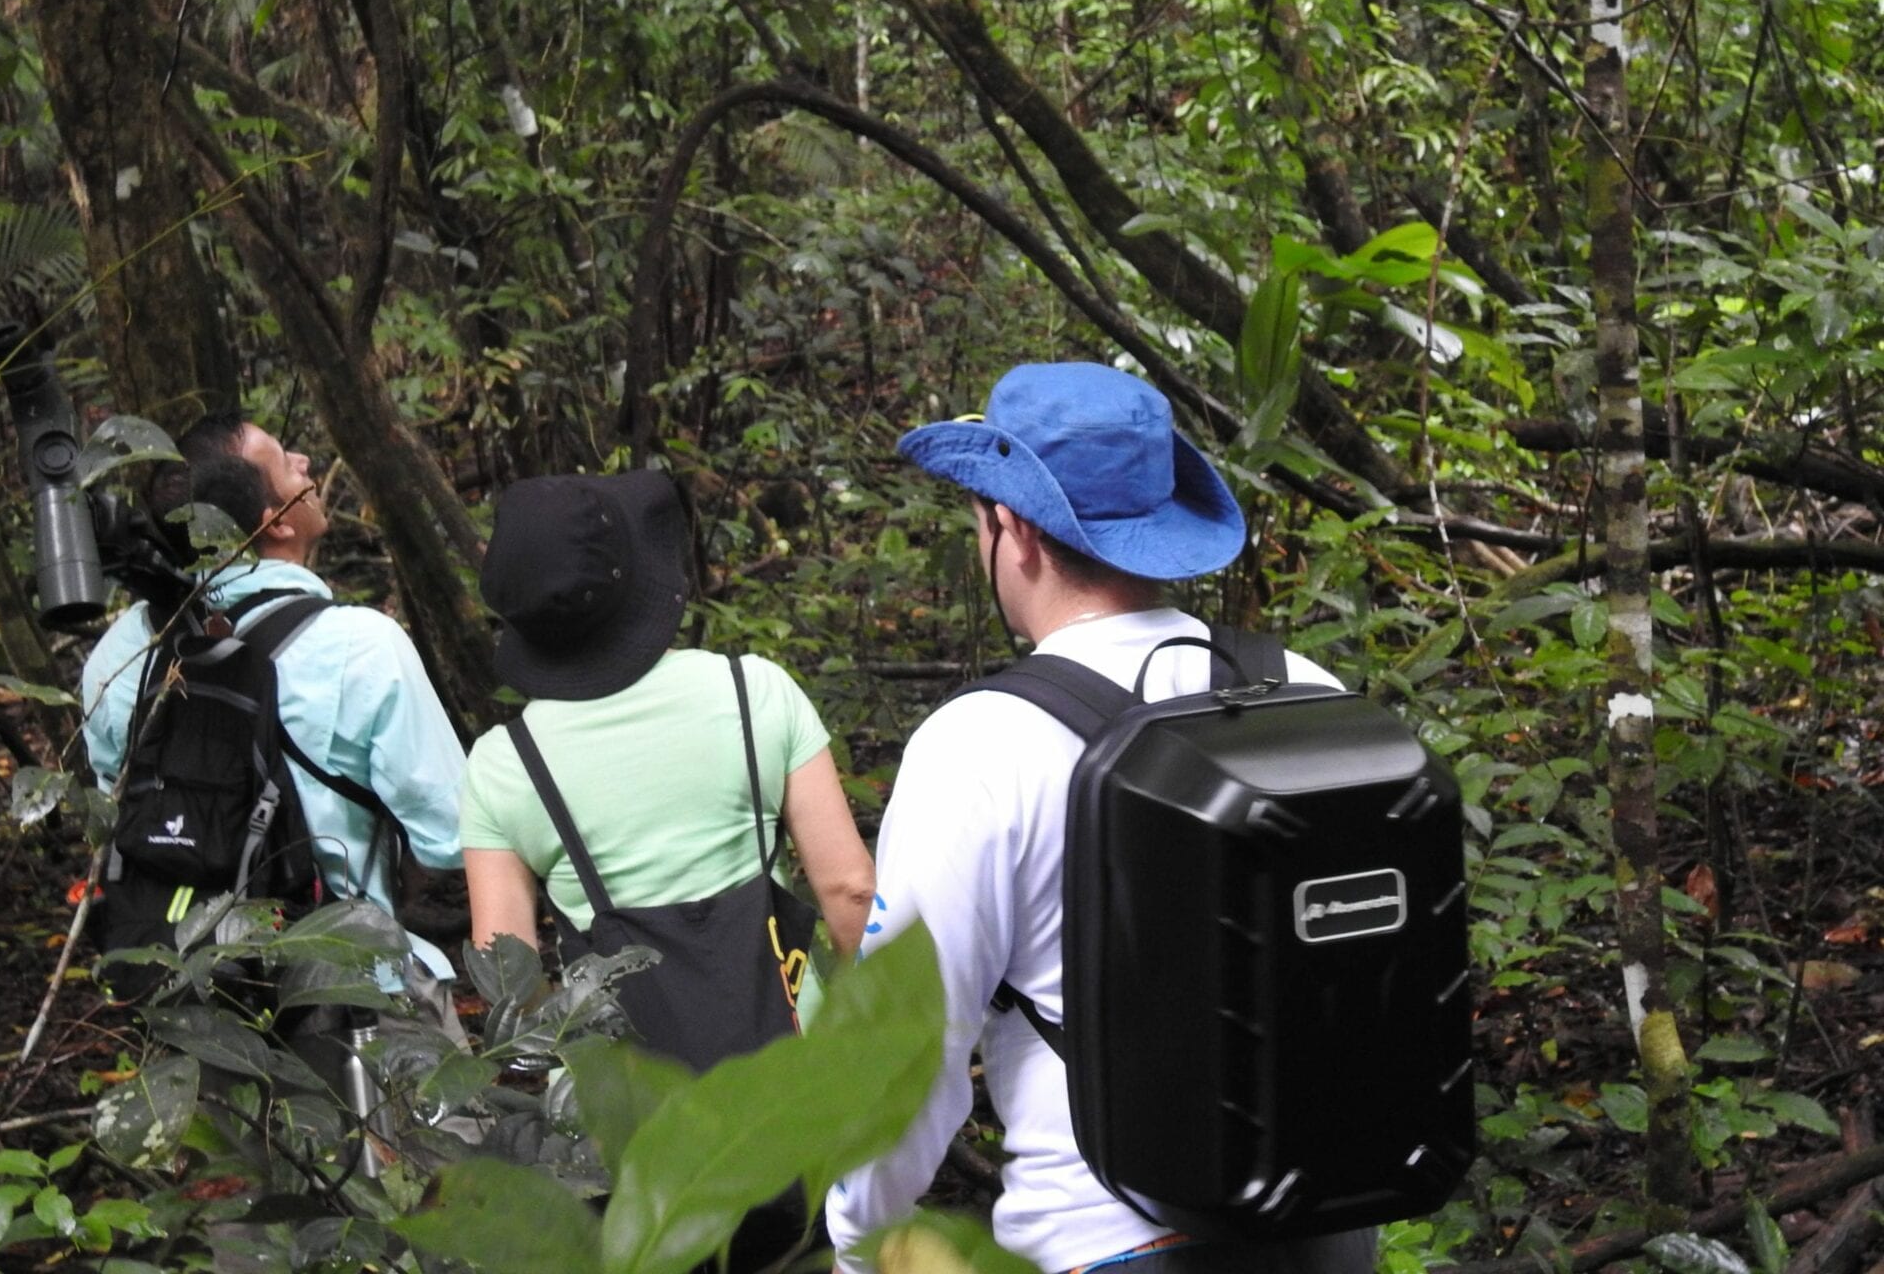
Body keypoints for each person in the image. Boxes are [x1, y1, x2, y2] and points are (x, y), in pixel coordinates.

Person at [827, 363, 1378, 1274]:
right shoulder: (1305, 693)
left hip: (1106, 1241)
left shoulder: (980, 744)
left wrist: (853, 1244)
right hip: (1322, 1230)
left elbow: (909, 1049)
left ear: (1016, 531)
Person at [79, 413, 470, 1032]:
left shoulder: (120, 653)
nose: (306, 465)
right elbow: (452, 835)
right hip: (356, 993)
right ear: (277, 521)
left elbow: (118, 817)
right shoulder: (360, 646)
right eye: (288, 462)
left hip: (194, 1003)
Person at [460, 467, 875, 988]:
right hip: (789, 1054)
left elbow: (504, 968)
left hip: (617, 1068)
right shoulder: (753, 692)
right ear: (640, 579)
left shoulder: (504, 763)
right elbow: (849, 888)